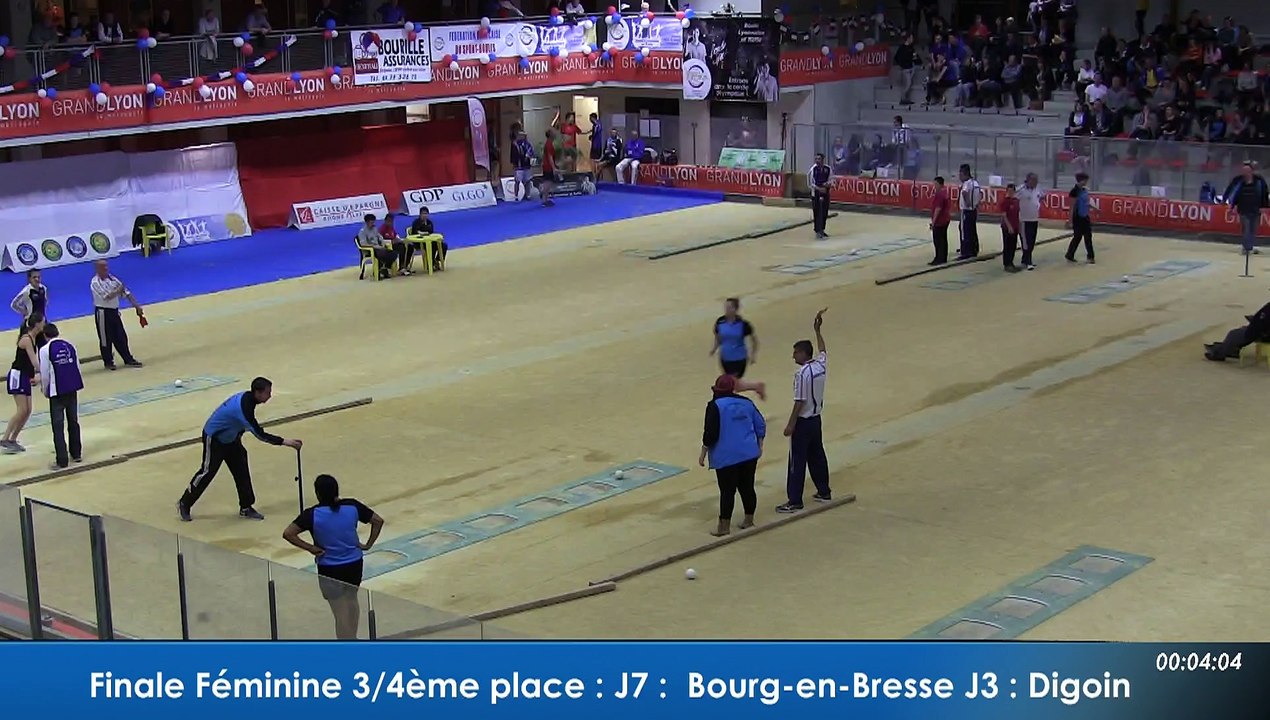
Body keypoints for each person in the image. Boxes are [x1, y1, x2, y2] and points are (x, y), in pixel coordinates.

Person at [176, 377, 303, 522]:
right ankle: (184, 502)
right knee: (207, 471)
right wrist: (286, 442)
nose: (270, 395)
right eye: (268, 392)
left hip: (231, 438)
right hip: (215, 438)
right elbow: (259, 434)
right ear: (258, 393)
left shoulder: (248, 399)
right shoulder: (244, 409)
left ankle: (246, 507)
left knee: (241, 468)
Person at [283, 474, 384, 640]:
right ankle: (353, 638)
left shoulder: (312, 514)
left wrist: (310, 548)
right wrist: (368, 544)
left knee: (339, 611)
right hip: (354, 564)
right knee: (352, 600)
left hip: (329, 568)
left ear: (318, 494)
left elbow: (288, 533)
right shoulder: (352, 506)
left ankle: (346, 643)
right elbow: (378, 521)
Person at [776, 308, 830, 514]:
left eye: (795, 352)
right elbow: (823, 350)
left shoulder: (802, 374)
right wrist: (817, 331)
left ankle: (795, 500)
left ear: (803, 353)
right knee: (817, 455)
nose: (793, 356)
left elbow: (799, 401)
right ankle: (824, 490)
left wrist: (791, 424)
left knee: (797, 461)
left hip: (803, 420)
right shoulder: (820, 366)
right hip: (816, 419)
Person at [698, 374, 765, 537]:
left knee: (727, 491)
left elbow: (710, 434)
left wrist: (703, 453)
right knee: (747, 487)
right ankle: (749, 520)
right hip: (749, 453)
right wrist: (759, 446)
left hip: (726, 456)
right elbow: (760, 425)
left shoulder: (714, 406)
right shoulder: (747, 403)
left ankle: (724, 526)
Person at [38, 323, 82, 470]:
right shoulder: (70, 345)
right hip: (72, 388)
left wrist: (45, 390)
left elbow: (44, 374)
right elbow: (77, 366)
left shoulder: (45, 350)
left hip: (57, 391)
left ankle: (62, 460)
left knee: (58, 427)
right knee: (73, 422)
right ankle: (76, 454)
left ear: (45, 336)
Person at [89, 260, 144, 370]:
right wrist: (119, 289)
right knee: (105, 338)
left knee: (121, 336)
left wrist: (136, 306)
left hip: (114, 311)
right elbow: (107, 296)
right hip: (102, 312)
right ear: (97, 269)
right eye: (103, 267)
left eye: (106, 266)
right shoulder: (95, 282)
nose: (106, 268)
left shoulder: (113, 279)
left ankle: (128, 358)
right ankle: (108, 362)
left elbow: (126, 293)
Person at [2, 314, 43, 455]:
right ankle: (5, 438)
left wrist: (34, 375)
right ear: (37, 324)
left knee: (28, 410)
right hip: (17, 375)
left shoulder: (33, 338)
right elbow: (34, 361)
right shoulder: (26, 339)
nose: (44, 324)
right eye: (42, 321)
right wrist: (45, 373)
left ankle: (13, 439)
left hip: (24, 376)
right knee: (22, 409)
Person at [1223, 161, 1269, 256]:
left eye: (1248, 171)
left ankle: (1250, 247)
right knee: (1246, 229)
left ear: (1252, 171)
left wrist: (1264, 206)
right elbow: (1234, 194)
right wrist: (1230, 206)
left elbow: (1264, 194)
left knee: (1253, 230)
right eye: (1244, 171)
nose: (1246, 173)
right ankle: (1246, 248)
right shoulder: (1239, 181)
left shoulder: (1259, 181)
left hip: (1256, 209)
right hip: (1243, 209)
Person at [1205, 301, 1270, 362]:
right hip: (1263, 331)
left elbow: (1260, 323)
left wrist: (1253, 324)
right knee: (1241, 332)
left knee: (1233, 334)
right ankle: (1226, 348)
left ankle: (1219, 353)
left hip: (1262, 334)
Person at [710, 297, 759, 378]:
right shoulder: (720, 322)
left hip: (739, 358)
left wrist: (753, 355)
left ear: (736, 309)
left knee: (734, 382)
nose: (727, 309)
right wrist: (714, 349)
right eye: (726, 307)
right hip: (724, 358)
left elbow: (754, 340)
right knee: (728, 382)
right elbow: (718, 337)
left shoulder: (743, 324)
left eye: (729, 307)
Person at [1015, 172, 1044, 270]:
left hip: (1034, 218)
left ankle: (1026, 259)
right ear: (1028, 180)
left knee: (1032, 240)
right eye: (1034, 180)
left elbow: (1042, 196)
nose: (1036, 182)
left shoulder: (1038, 188)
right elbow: (1013, 200)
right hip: (1024, 219)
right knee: (1025, 242)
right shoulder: (1020, 190)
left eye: (1037, 180)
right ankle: (1027, 261)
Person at [1065, 171, 1095, 264]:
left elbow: (1086, 202)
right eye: (1085, 180)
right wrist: (1070, 221)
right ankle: (1070, 254)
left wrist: (1093, 207)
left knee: (1088, 236)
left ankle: (1090, 256)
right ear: (1082, 180)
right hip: (1077, 217)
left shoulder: (1084, 190)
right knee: (1077, 237)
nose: (1086, 182)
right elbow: (1072, 207)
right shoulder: (1074, 191)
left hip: (1085, 216)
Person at [356, 214, 395, 279]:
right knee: (382, 253)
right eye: (371, 222)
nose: (373, 224)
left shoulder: (374, 228)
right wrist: (375, 246)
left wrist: (382, 243)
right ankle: (378, 270)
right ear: (367, 222)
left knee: (393, 254)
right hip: (369, 250)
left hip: (378, 247)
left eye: (373, 222)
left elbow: (380, 237)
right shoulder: (362, 231)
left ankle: (384, 268)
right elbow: (363, 244)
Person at [409, 207, 448, 272]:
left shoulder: (429, 222)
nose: (424, 215)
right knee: (432, 246)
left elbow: (431, 232)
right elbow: (416, 232)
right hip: (419, 243)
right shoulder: (416, 222)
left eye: (426, 214)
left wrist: (423, 233)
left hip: (429, 241)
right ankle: (430, 263)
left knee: (443, 245)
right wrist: (423, 233)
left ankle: (436, 260)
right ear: (420, 214)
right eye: (423, 214)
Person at [957, 164, 982, 259]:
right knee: (972, 230)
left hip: (966, 210)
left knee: (964, 230)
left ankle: (965, 251)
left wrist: (968, 203)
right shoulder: (975, 183)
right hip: (973, 210)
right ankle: (974, 249)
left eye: (960, 174)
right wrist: (976, 204)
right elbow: (981, 194)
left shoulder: (967, 183)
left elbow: (964, 192)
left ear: (964, 174)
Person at [808, 153, 832, 239]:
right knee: (817, 212)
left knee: (824, 212)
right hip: (816, 193)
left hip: (825, 192)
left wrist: (827, 184)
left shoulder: (828, 169)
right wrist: (818, 188)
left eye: (819, 159)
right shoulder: (813, 169)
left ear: (822, 160)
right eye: (816, 159)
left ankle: (822, 229)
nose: (817, 161)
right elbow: (810, 183)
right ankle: (817, 230)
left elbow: (831, 179)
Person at [929, 175, 951, 265]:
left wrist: (933, 222)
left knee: (938, 240)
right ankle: (943, 257)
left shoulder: (940, 194)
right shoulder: (945, 192)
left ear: (940, 184)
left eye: (935, 184)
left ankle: (939, 258)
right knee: (943, 240)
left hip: (940, 221)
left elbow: (938, 209)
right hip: (945, 219)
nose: (934, 186)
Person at [1000, 183, 1022, 272]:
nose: (1010, 192)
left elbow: (1018, 215)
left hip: (1015, 225)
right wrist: (1009, 226)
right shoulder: (1005, 202)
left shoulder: (1016, 201)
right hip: (1007, 227)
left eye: (1012, 191)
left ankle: (1011, 262)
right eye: (1009, 191)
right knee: (1007, 245)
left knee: (1013, 246)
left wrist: (1019, 226)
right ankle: (1007, 264)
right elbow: (1004, 215)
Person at [510, 130, 536, 202]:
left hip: (527, 165)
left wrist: (529, 157)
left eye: (523, 135)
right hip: (518, 166)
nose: (522, 137)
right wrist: (514, 164)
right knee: (517, 181)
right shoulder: (514, 144)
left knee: (528, 181)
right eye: (520, 135)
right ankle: (516, 196)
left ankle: (528, 195)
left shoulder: (528, 144)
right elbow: (512, 155)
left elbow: (532, 152)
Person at [540, 128, 560, 208]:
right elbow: (550, 156)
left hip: (547, 165)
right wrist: (553, 167)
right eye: (553, 133)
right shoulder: (548, 144)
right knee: (547, 182)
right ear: (551, 135)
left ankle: (546, 199)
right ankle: (544, 200)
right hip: (548, 166)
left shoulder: (550, 143)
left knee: (548, 182)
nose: (555, 134)